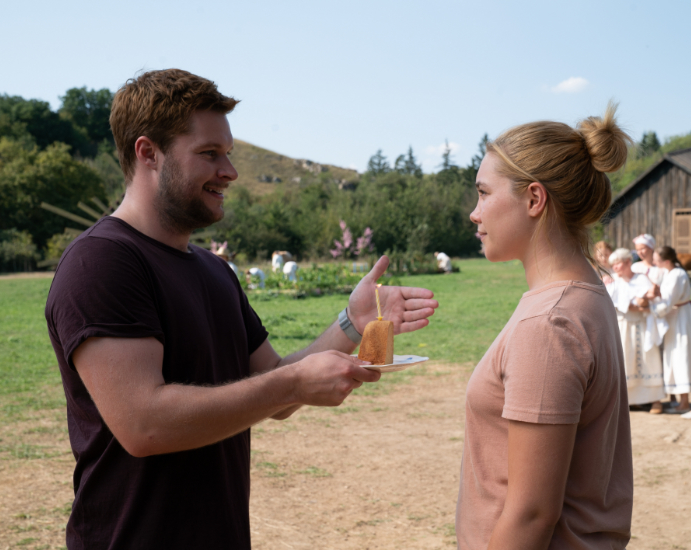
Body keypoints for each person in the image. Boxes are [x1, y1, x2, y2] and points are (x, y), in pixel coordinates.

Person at [44, 69, 439, 550]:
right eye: (210, 154)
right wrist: (289, 384)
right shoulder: (102, 262)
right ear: (148, 153)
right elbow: (144, 423)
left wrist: (351, 324)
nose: (229, 171)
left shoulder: (214, 271)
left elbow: (270, 382)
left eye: (227, 153)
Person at [457, 104, 633, 549]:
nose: (474, 213)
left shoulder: (550, 324)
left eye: (483, 193)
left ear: (534, 199)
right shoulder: (584, 297)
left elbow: (532, 515)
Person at [647, 246, 691, 419]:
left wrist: (649, 306)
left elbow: (668, 301)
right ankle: (683, 402)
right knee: (676, 358)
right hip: (674, 320)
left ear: (666, 261)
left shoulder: (678, 275)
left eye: (657, 260)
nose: (654, 263)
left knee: (688, 355)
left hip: (683, 320)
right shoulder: (669, 273)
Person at [606, 248, 667, 413]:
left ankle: (655, 400)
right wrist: (632, 305)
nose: (615, 268)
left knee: (648, 359)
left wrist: (644, 302)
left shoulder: (641, 279)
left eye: (617, 264)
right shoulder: (613, 282)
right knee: (626, 360)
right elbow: (612, 303)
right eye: (613, 265)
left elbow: (652, 300)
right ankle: (631, 400)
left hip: (642, 325)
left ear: (627, 262)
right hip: (623, 325)